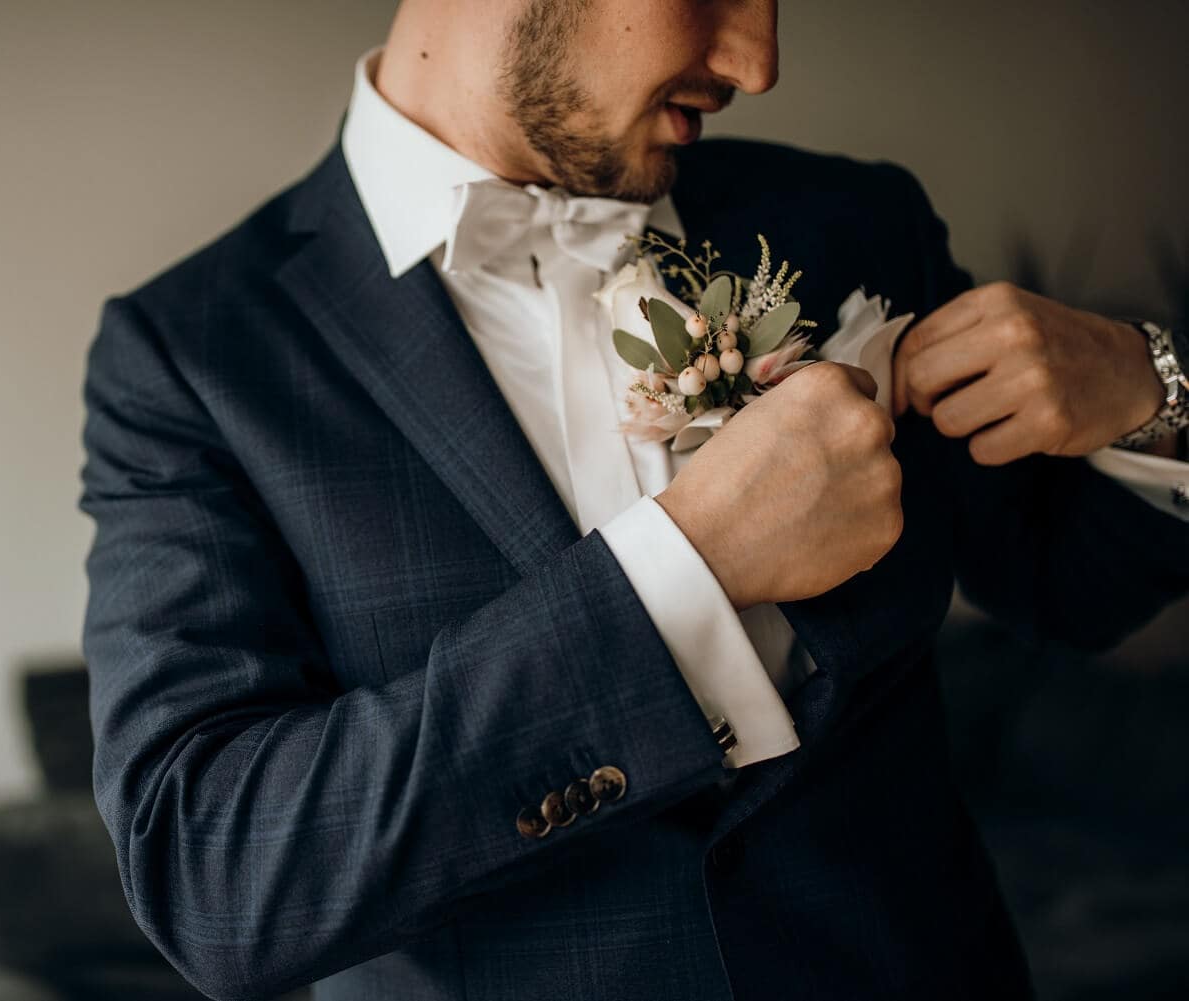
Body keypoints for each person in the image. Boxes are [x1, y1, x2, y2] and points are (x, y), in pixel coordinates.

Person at [78, 2, 1189, 998]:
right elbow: (216, 878)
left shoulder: (854, 218)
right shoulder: (192, 353)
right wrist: (688, 565)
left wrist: (1154, 397)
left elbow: (1068, 587)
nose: (755, 60)